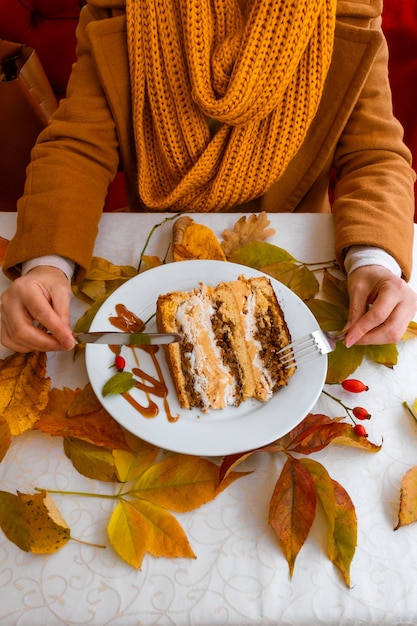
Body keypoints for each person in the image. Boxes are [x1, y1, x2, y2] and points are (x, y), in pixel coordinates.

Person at [1, 0, 416, 353]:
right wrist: (47, 265)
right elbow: (78, 145)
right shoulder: (119, 6)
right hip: (158, 253)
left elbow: (375, 154)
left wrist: (373, 261)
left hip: (299, 261)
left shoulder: (346, 8)